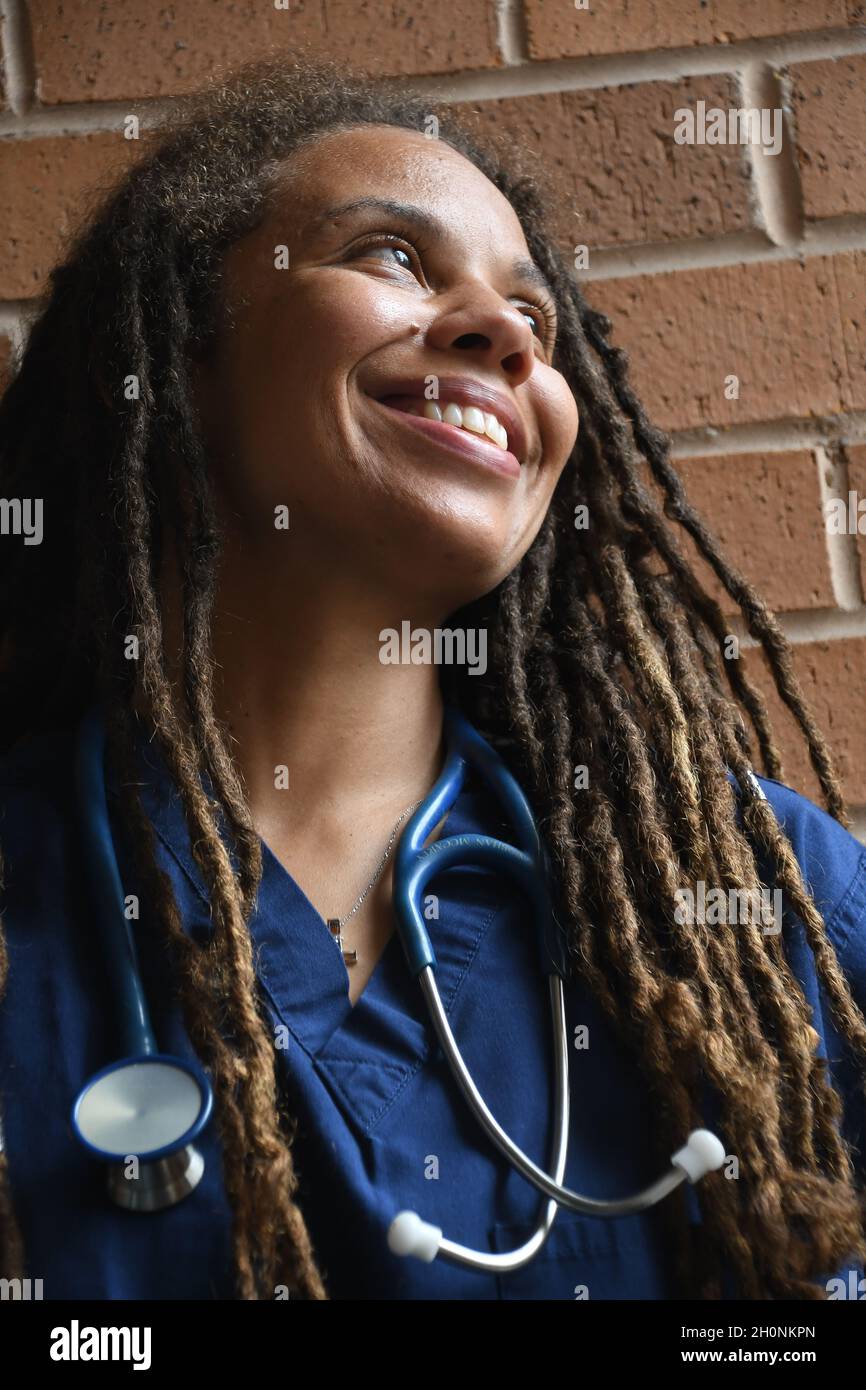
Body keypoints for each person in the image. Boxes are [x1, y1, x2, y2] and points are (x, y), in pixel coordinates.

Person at [0, 57, 864, 1302]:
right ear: (177, 355)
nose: (504, 330)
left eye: (537, 320)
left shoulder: (754, 895)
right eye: (394, 258)